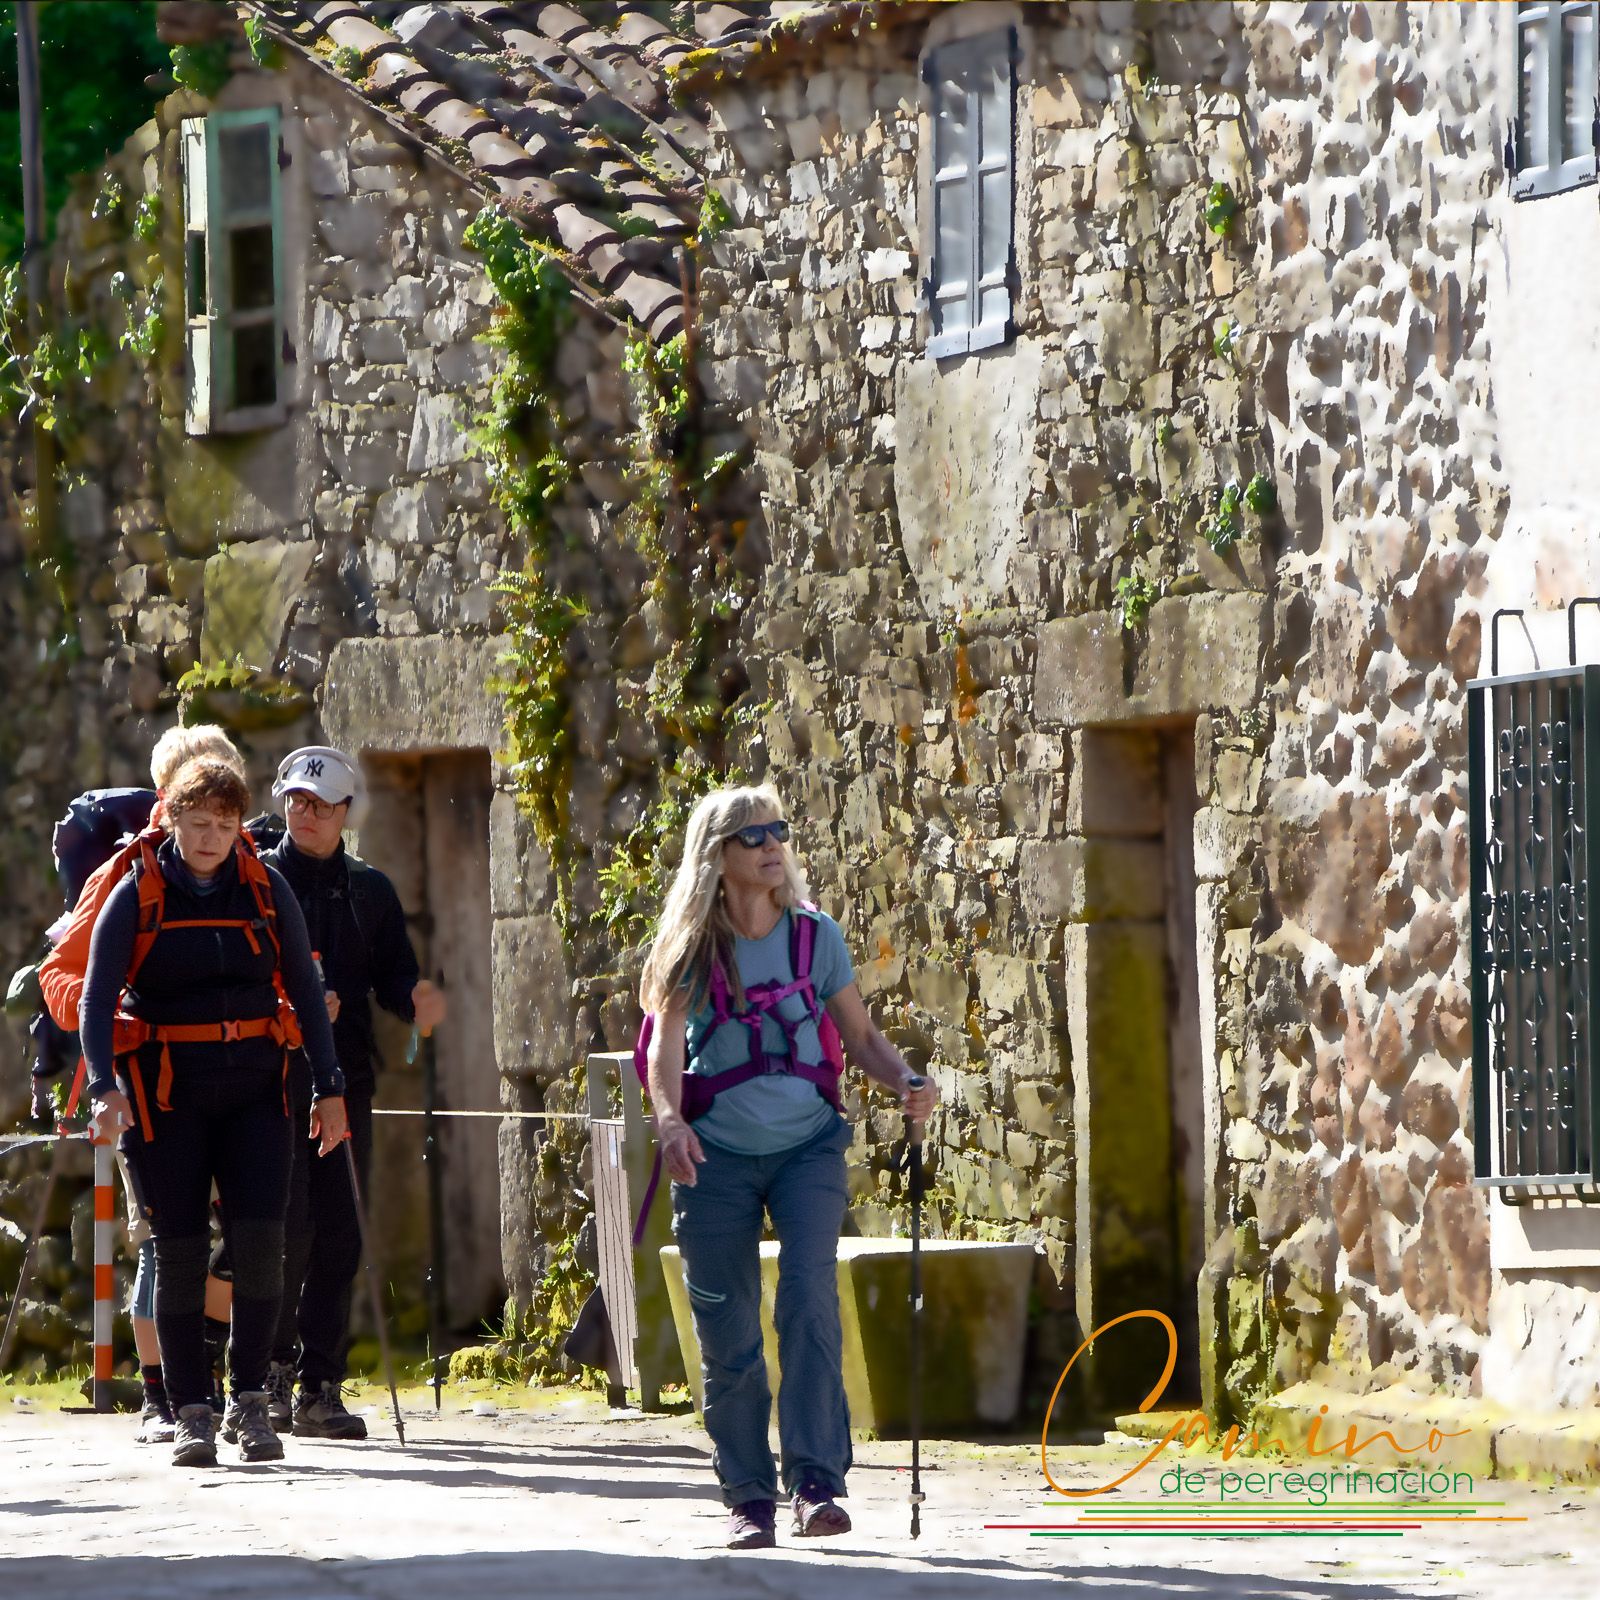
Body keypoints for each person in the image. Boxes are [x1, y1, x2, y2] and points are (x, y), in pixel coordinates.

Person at [640, 783, 939, 1550]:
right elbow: (664, 1048)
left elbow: (860, 1037)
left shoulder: (815, 936)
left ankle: (816, 1484)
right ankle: (749, 1497)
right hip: (714, 1156)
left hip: (808, 1146)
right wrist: (670, 1122)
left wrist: (906, 1080)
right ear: (718, 855)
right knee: (728, 1328)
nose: (772, 845)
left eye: (778, 831)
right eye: (753, 836)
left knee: (808, 1303)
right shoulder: (691, 946)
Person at [81, 757, 348, 1468]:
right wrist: (105, 1087)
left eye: (225, 826)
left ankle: (250, 1400)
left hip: (257, 1090)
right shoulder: (136, 892)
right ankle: (190, 1411)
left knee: (261, 1246)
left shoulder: (264, 888)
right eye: (198, 823)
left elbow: (303, 985)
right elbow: (97, 999)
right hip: (167, 1097)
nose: (211, 839)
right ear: (172, 818)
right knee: (179, 1251)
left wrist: (329, 1087)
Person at [34, 723, 248, 1445]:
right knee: (165, 1240)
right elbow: (60, 976)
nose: (210, 807)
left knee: (243, 1238)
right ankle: (164, 1397)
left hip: (238, 1084)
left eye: (223, 792)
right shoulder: (126, 873)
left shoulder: (251, 867)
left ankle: (209, 1381)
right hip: (150, 1089)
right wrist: (112, 1020)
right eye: (196, 789)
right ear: (168, 795)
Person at [263, 746, 444, 1438]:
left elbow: (394, 972)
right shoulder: (256, 880)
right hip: (270, 1081)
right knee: (281, 1227)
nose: (304, 814)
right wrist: (292, 1006)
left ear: (345, 813)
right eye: (296, 801)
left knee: (341, 1231)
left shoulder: (370, 891)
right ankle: (267, 1375)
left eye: (319, 805)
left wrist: (414, 998)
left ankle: (320, 1385)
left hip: (349, 1079)